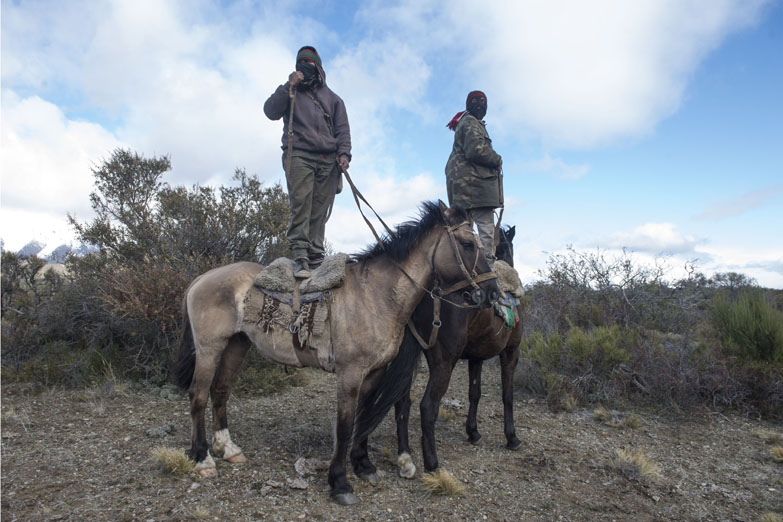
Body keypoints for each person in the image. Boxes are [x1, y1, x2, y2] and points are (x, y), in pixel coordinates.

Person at [264, 46, 351, 278]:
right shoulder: (290, 92)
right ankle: (300, 254)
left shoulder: (333, 99)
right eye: (300, 62)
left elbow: (343, 130)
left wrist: (344, 154)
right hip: (299, 154)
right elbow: (270, 111)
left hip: (327, 160)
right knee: (301, 203)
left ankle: (315, 254)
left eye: (308, 63)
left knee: (319, 208)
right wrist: (288, 85)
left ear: (318, 67)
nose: (304, 66)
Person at [445, 90, 503, 267]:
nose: (480, 103)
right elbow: (476, 150)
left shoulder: (466, 122)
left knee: (463, 234)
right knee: (485, 233)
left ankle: (463, 270)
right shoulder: (470, 122)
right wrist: (497, 159)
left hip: (464, 190)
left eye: (483, 100)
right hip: (476, 190)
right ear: (468, 104)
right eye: (476, 100)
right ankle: (487, 274)